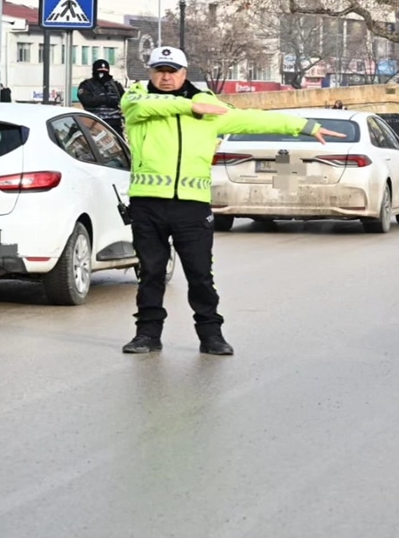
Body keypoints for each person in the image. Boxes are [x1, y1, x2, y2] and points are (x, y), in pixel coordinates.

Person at [120, 46, 345, 355]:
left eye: (172, 72)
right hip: (148, 204)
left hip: (192, 206)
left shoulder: (209, 110)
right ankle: (147, 334)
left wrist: (305, 127)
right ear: (150, 73)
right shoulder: (136, 99)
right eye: (160, 71)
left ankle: (211, 336)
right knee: (151, 273)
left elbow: (254, 120)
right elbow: (146, 105)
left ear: (185, 74)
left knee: (200, 276)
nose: (166, 77)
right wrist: (193, 106)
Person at [78, 59, 126, 135]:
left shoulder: (116, 85)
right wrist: (105, 99)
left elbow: (124, 101)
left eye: (105, 70)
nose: (102, 73)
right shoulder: (86, 85)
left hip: (114, 125)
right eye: (100, 70)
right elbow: (85, 99)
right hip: (94, 124)